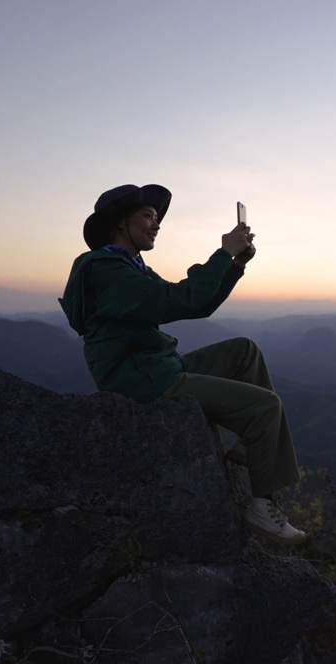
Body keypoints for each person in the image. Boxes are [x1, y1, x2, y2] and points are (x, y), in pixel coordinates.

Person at [59, 183, 306, 545]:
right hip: (141, 381)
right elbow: (182, 299)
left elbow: (198, 303)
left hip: (158, 366)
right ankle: (261, 505)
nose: (155, 224)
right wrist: (222, 252)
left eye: (156, 217)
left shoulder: (131, 267)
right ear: (119, 223)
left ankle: (250, 446)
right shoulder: (108, 272)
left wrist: (234, 266)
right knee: (266, 406)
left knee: (244, 350)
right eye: (147, 216)